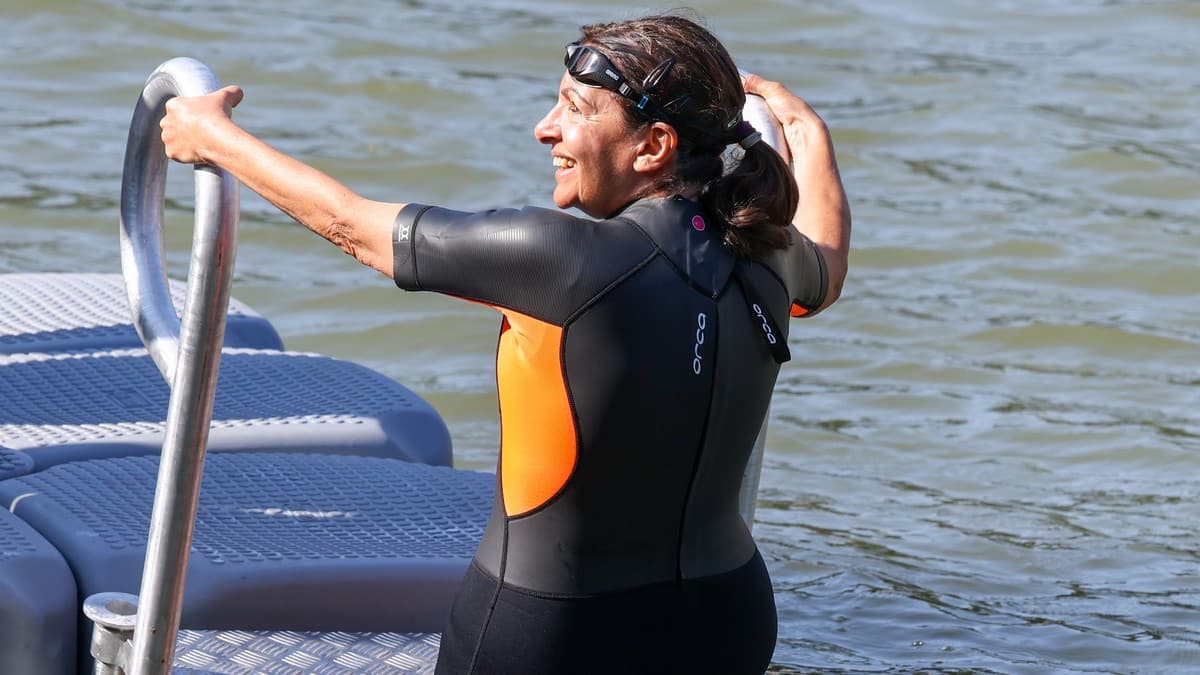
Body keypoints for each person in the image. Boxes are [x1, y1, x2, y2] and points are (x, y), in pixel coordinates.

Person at [160, 12, 850, 675]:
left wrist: (213, 138)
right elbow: (830, 265)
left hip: (554, 634)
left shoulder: (559, 258)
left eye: (575, 110)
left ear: (654, 147)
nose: (544, 129)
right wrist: (811, 137)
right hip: (725, 621)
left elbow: (353, 226)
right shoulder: (768, 254)